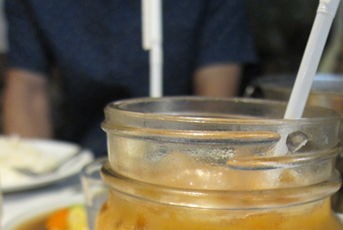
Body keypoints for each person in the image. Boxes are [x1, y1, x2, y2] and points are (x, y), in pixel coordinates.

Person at [2, 0, 257, 156]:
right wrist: (33, 174)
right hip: (81, 162)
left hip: (182, 155)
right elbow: (26, 90)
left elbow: (214, 106)